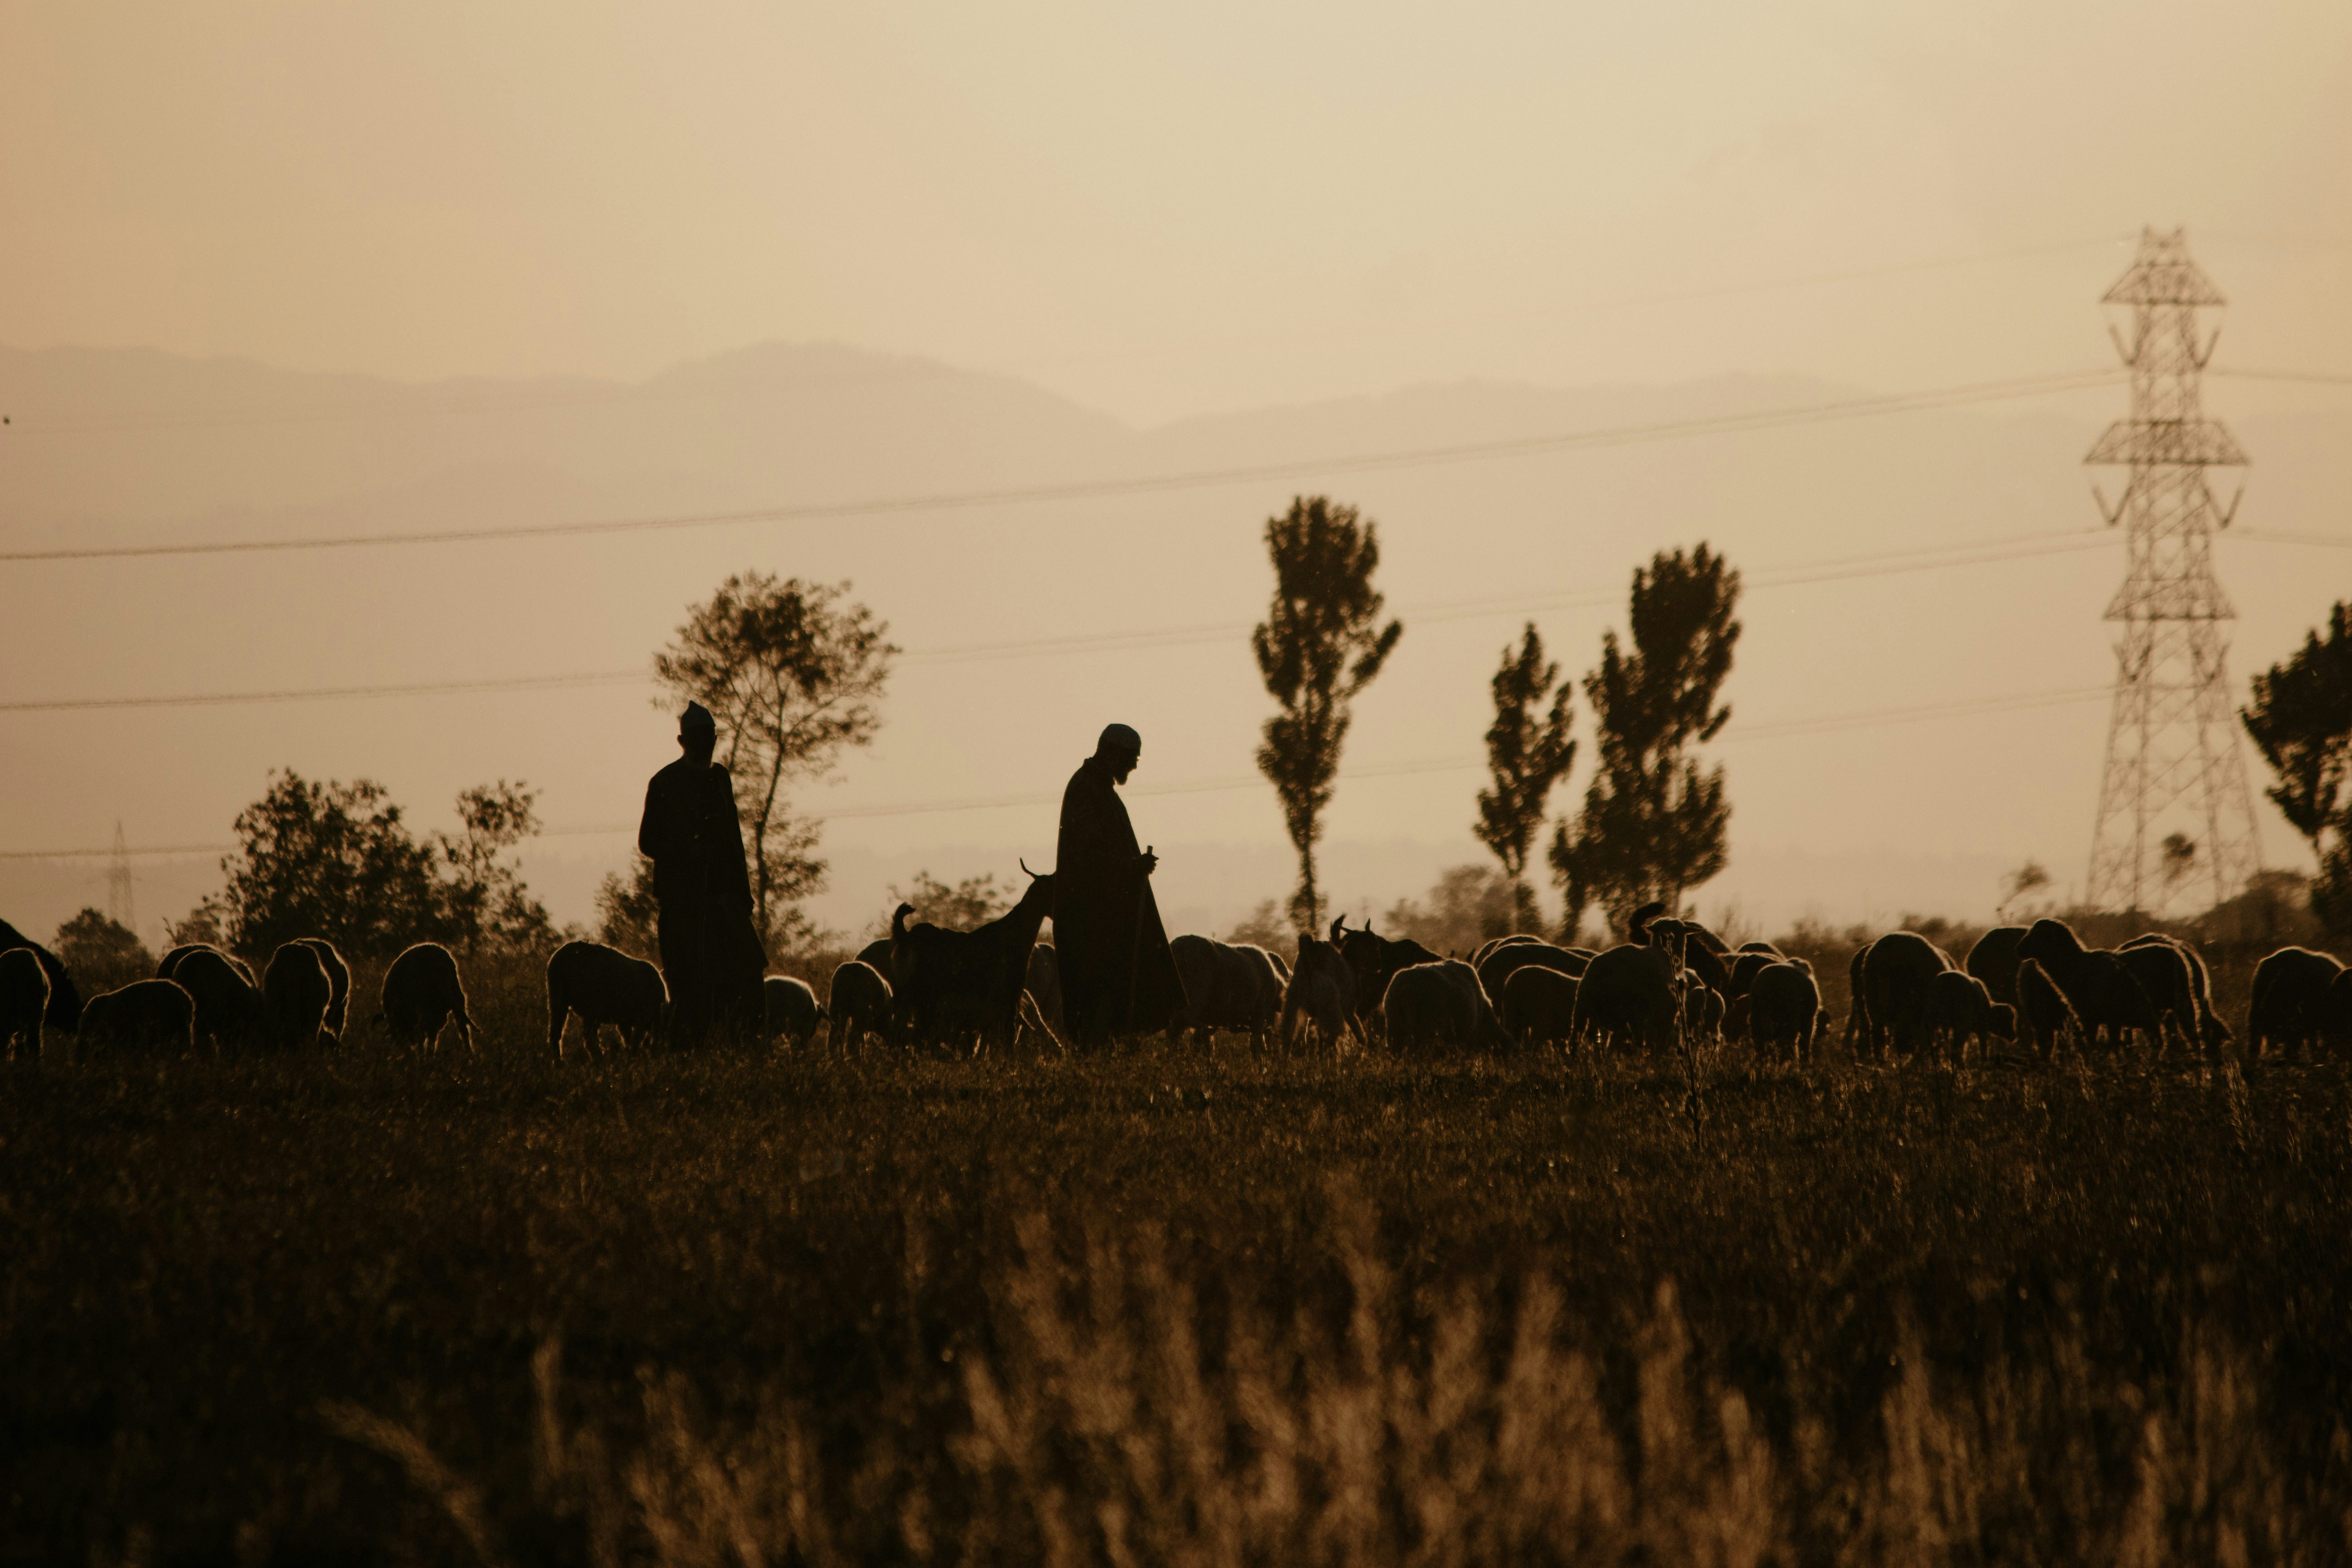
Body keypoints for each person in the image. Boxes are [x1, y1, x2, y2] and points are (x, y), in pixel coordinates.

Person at [637, 702, 765, 1048]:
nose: (705, 743)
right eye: (698, 737)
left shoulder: (720, 778)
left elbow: (734, 840)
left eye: (709, 736)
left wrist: (744, 893)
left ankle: (740, 1049)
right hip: (683, 907)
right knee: (690, 989)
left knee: (748, 977)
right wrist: (688, 852)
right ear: (683, 741)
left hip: (725, 903)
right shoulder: (664, 782)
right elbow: (648, 841)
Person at [1054, 723, 1183, 1048]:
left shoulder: (1098, 788)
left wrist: (1132, 868)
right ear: (1113, 753)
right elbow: (1088, 857)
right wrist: (1131, 867)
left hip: (1103, 919)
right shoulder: (1087, 789)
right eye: (1132, 757)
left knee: (1107, 1001)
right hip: (1089, 920)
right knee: (1096, 1000)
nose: (1135, 765)